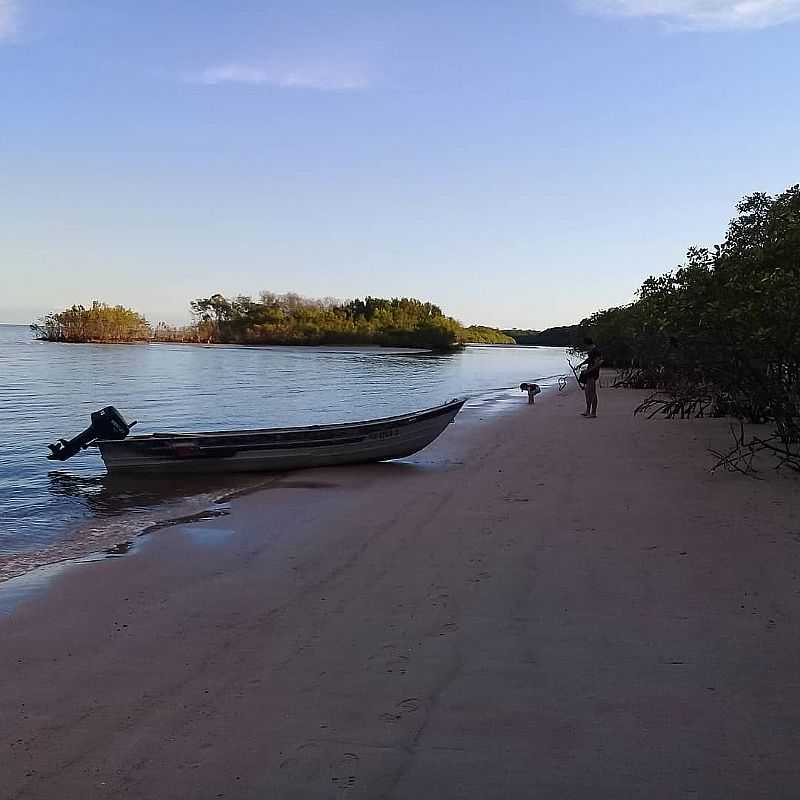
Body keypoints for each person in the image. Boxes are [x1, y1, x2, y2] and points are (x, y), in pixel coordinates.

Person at [577, 338, 603, 418]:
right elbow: (589, 360)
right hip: (589, 373)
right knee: (587, 392)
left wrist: (587, 371)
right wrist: (581, 364)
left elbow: (597, 364)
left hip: (593, 373)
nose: (585, 348)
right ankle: (588, 411)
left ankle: (593, 412)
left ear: (587, 344)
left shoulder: (596, 351)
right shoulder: (592, 351)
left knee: (592, 392)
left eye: (585, 346)